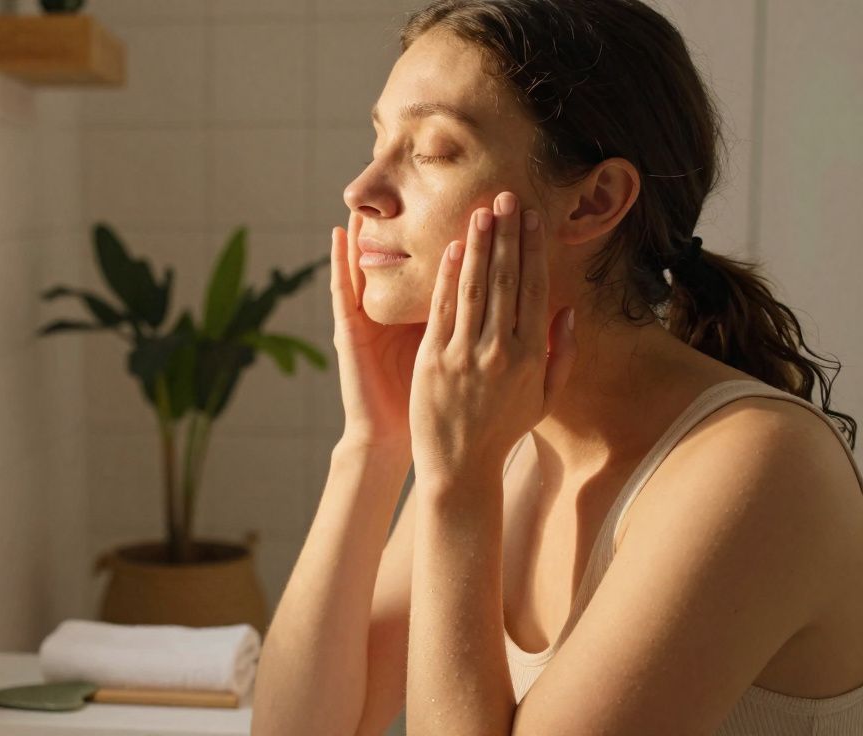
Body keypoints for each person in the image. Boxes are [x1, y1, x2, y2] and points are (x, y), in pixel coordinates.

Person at [251, 1, 863, 734]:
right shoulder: (505, 436)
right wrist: (373, 444)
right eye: (379, 139)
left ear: (594, 201)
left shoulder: (757, 466)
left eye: (434, 151)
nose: (362, 190)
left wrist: (459, 484)